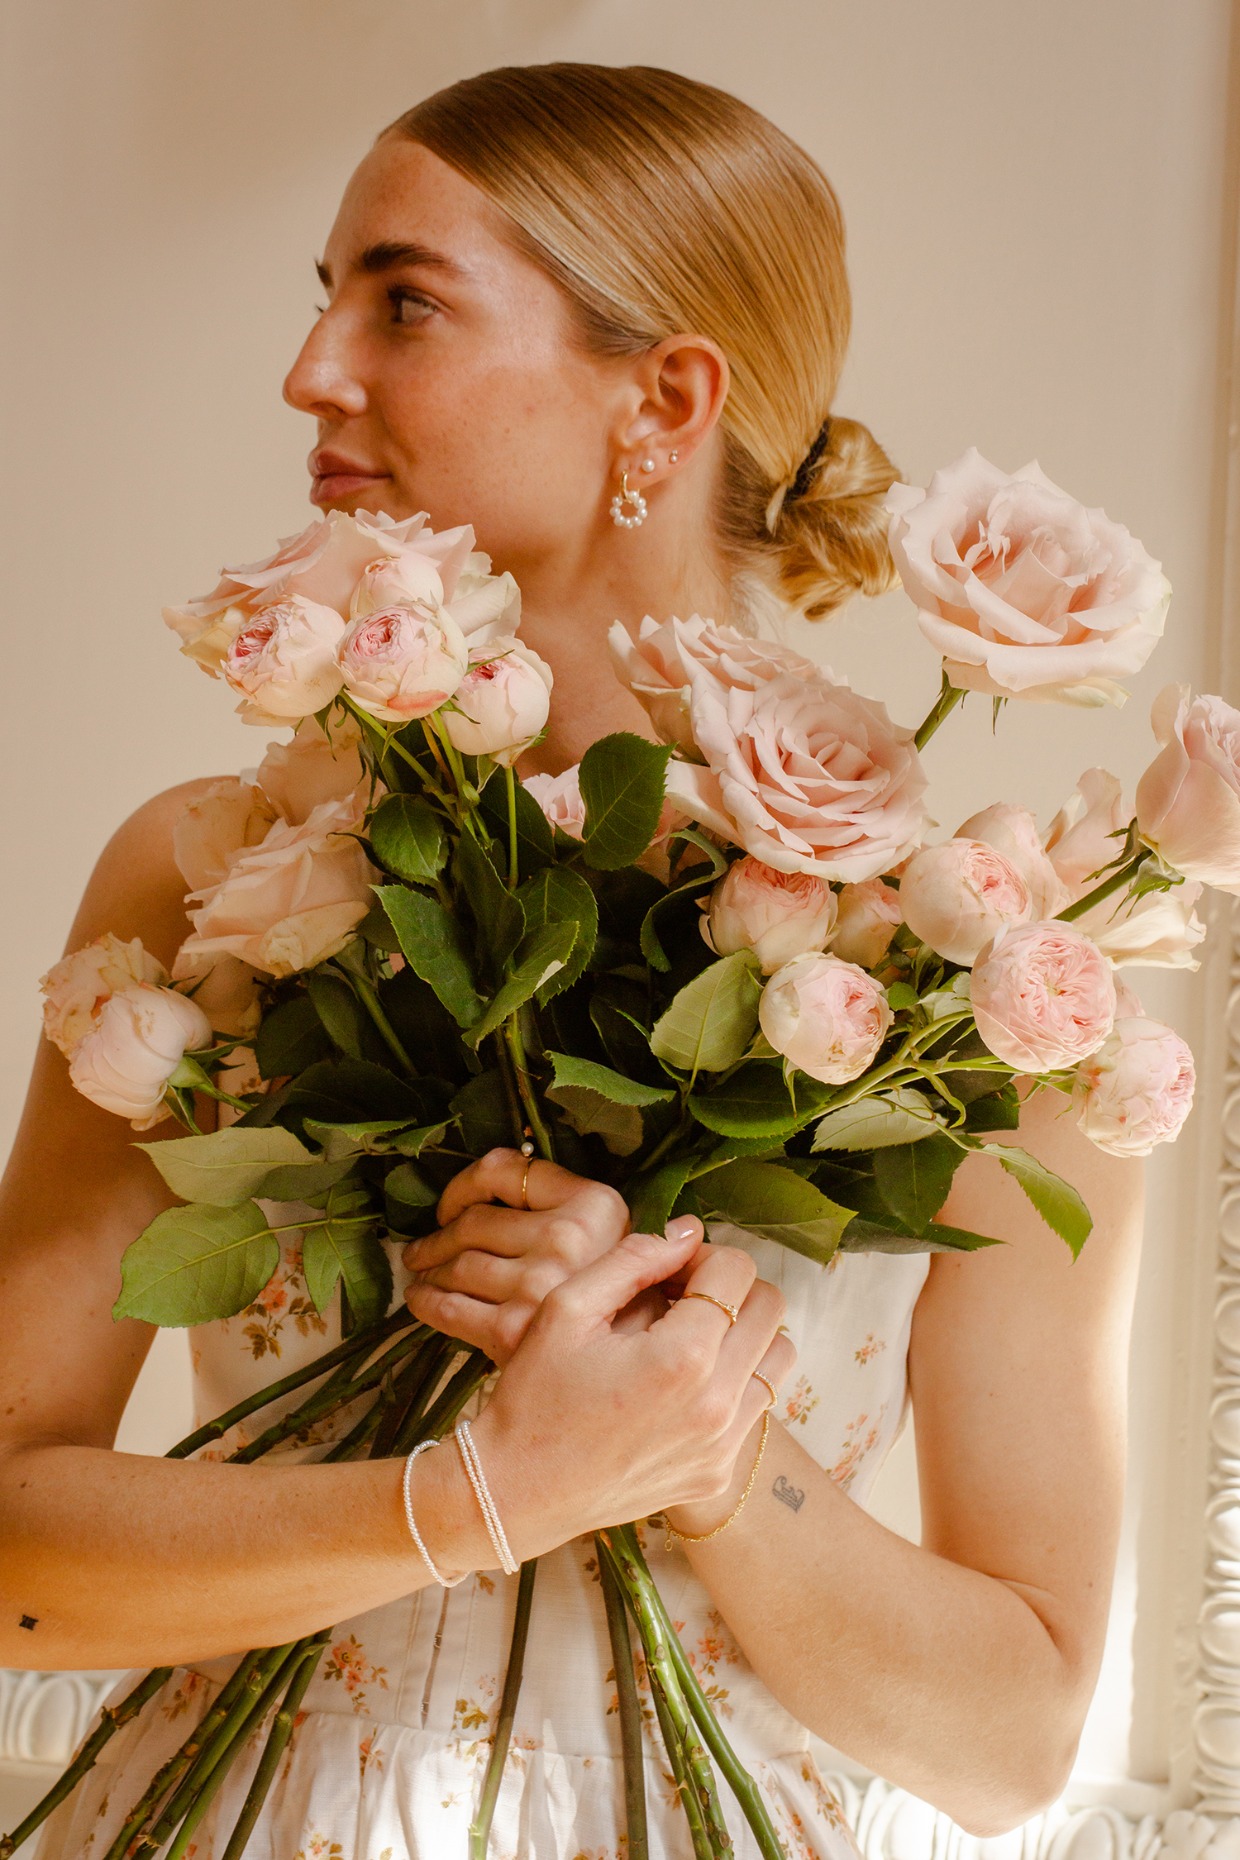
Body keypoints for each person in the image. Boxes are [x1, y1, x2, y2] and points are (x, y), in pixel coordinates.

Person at [0, 63, 1144, 1860]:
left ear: (663, 398)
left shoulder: (977, 981)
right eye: (324, 301)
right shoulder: (208, 873)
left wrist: (706, 1454)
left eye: (404, 301)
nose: (313, 372)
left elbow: (1016, 1745)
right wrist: (475, 1495)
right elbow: (9, 1569)